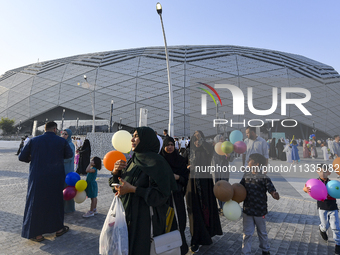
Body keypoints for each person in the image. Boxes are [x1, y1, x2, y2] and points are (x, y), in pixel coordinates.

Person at [109, 127, 177, 255]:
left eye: (136, 136)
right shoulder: (133, 160)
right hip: (126, 218)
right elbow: (117, 187)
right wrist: (115, 172)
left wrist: (134, 190)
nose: (132, 139)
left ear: (146, 139)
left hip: (144, 222)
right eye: (132, 136)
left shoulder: (157, 163)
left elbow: (161, 196)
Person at [18, 121, 73, 242]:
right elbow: (69, 155)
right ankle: (58, 229)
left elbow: (22, 157)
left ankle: (37, 235)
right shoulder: (61, 141)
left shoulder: (34, 140)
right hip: (55, 177)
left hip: (38, 177)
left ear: (44, 129)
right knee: (55, 203)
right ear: (55, 129)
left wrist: (34, 157)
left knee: (36, 203)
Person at [185, 130, 222, 253]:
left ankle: (207, 232)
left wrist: (202, 141)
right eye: (195, 139)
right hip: (192, 183)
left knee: (206, 208)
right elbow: (182, 163)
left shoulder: (205, 150)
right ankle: (196, 239)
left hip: (204, 183)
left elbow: (210, 151)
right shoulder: (189, 150)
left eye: (199, 139)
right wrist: (187, 168)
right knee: (194, 211)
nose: (197, 142)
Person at [240, 153, 280, 255]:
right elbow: (239, 188)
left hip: (260, 210)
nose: (248, 162)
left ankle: (265, 250)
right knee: (247, 233)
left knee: (262, 232)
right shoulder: (246, 176)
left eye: (250, 160)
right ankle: (246, 252)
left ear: (256, 164)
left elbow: (272, 190)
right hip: (247, 210)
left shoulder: (264, 178)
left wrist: (274, 194)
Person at [160, 136, 189, 255]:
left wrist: (178, 177)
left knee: (180, 221)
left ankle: (181, 247)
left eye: (172, 144)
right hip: (163, 198)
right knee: (165, 223)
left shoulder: (181, 160)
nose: (170, 147)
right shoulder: (160, 161)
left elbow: (186, 178)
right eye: (167, 145)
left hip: (177, 197)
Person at [303, 164, 340, 255]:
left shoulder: (332, 183)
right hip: (322, 208)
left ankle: (338, 244)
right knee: (325, 225)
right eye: (321, 171)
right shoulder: (315, 183)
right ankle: (322, 229)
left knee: (335, 227)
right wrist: (305, 189)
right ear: (317, 171)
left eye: (325, 171)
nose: (323, 173)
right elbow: (306, 188)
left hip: (333, 207)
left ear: (329, 173)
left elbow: (337, 190)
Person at [211, 134, 230, 214]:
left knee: (224, 188)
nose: (222, 140)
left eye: (223, 139)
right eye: (220, 139)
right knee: (218, 188)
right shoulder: (213, 149)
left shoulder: (226, 148)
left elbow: (231, 158)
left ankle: (224, 206)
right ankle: (220, 206)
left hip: (224, 172)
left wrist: (228, 155)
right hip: (215, 172)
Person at [61, 129, 75, 213]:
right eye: (62, 134)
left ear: (69, 135)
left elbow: (70, 157)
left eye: (65, 134)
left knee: (68, 189)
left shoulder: (70, 144)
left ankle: (69, 208)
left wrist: (59, 159)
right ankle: (62, 207)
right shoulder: (63, 144)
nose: (63, 135)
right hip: (62, 169)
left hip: (68, 170)